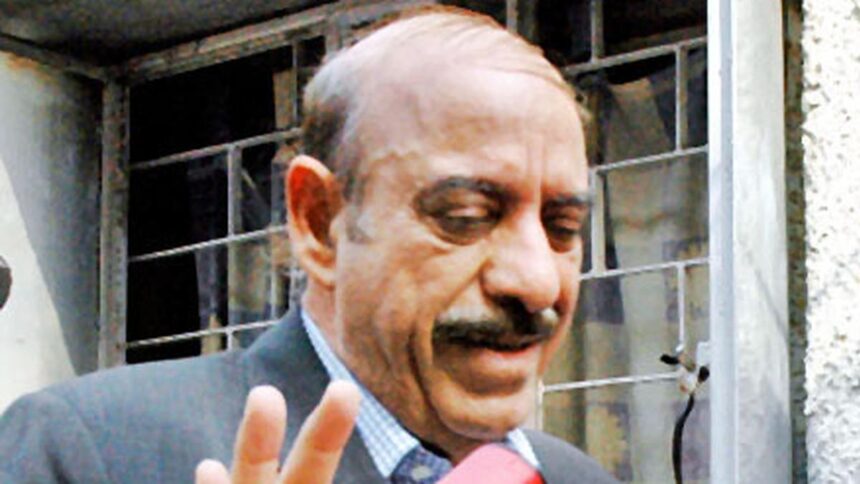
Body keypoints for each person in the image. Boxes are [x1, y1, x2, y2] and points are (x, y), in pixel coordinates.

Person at [0, 7, 617, 483]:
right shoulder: (87, 451)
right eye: (466, 217)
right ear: (320, 222)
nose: (536, 281)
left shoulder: (579, 479)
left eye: (563, 228)